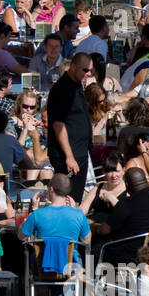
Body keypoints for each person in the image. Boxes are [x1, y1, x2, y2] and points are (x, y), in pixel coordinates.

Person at [47, 52, 94, 198]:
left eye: (90, 70)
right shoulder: (62, 89)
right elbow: (58, 125)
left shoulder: (76, 85)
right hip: (68, 156)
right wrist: (69, 156)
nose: (88, 74)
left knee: (76, 198)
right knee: (67, 198)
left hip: (79, 151)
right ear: (73, 67)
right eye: (85, 70)